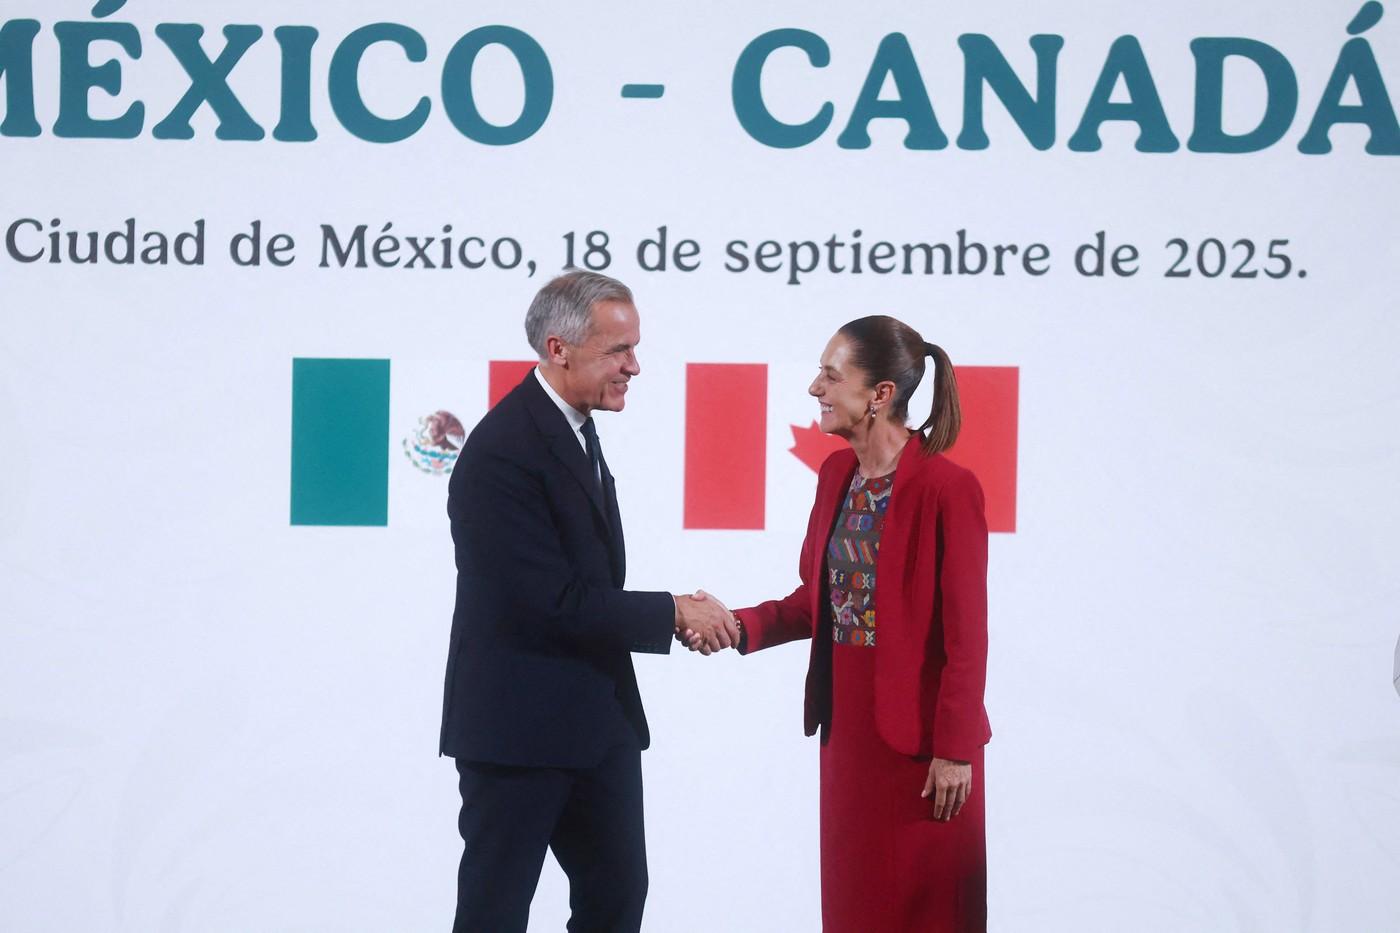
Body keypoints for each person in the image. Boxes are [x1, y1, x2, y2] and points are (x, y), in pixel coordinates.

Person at [440, 270, 737, 933]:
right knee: (494, 913)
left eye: (635, 348)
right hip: (518, 732)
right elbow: (547, 602)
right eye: (618, 350)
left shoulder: (572, 426)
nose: (634, 366)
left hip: (597, 725)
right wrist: (672, 611)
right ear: (559, 349)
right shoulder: (502, 452)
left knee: (616, 899)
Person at [685, 315, 991, 932]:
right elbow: (819, 602)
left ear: (881, 394)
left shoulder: (947, 487)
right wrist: (737, 625)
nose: (815, 388)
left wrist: (955, 750)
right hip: (848, 736)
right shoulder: (834, 477)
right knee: (857, 908)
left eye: (830, 375)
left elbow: (968, 635)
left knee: (927, 914)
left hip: (924, 749)